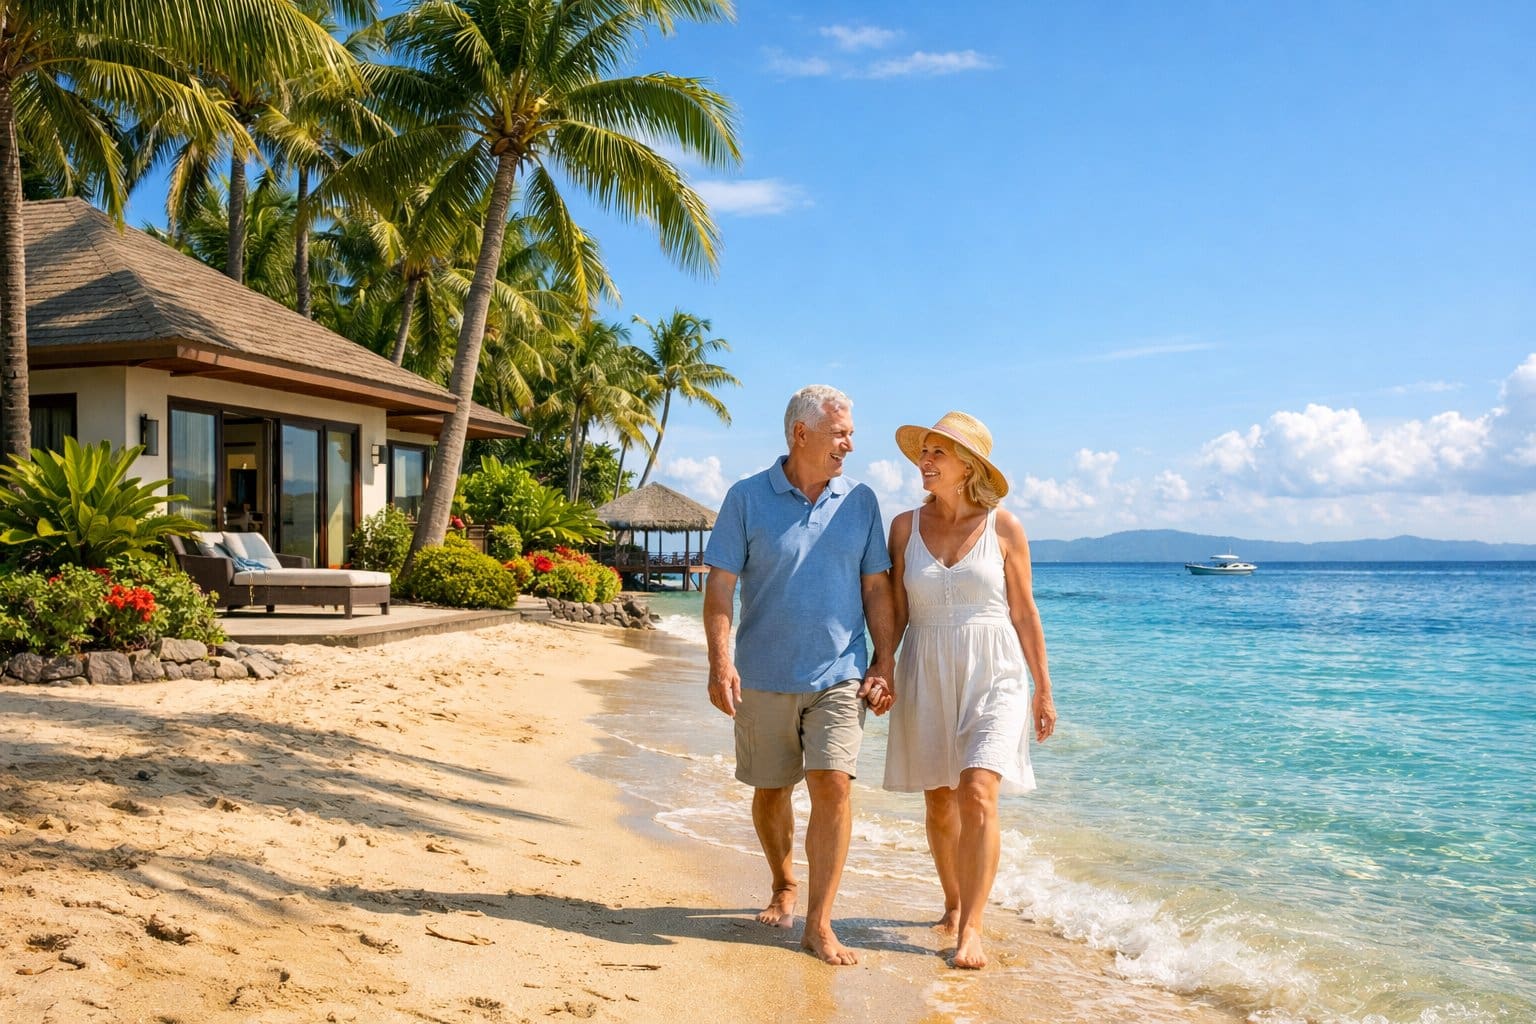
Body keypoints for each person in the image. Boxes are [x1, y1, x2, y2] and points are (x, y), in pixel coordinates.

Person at [703, 384, 897, 965]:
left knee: (834, 784)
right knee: (771, 791)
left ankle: (819, 922)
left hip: (840, 671)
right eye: (841, 433)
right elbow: (720, 588)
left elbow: (877, 588)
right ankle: (783, 882)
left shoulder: (861, 501)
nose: (850, 444)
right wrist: (720, 662)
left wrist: (885, 660)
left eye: (851, 434)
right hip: (763, 672)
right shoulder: (745, 498)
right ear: (801, 433)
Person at [881, 411, 1057, 970]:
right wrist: (881, 667)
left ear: (969, 466)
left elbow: (1025, 611)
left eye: (939, 453)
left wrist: (1043, 689)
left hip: (996, 670)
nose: (925, 462)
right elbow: (897, 613)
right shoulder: (904, 528)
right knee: (939, 799)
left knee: (979, 788)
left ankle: (973, 929)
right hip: (926, 667)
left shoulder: (1004, 527)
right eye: (924, 452)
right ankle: (954, 906)